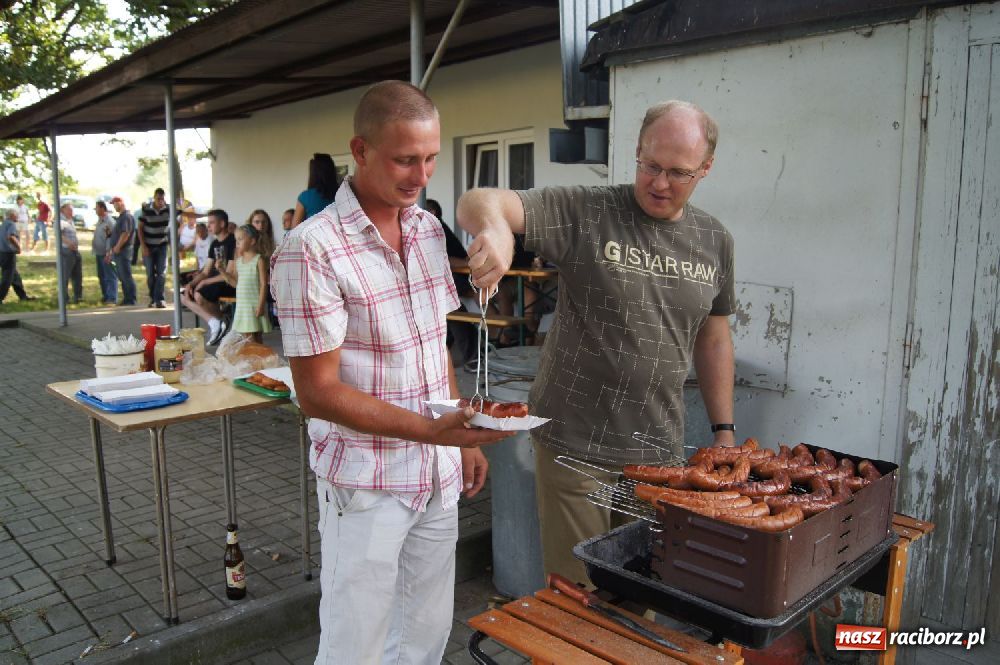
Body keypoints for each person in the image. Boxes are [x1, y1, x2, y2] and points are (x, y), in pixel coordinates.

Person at [270, 80, 509, 665]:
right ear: (360, 149)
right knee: (357, 645)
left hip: (434, 473)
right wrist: (434, 431)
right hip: (366, 481)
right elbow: (318, 394)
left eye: (430, 158)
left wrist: (459, 440)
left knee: (426, 635)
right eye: (405, 159)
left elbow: (433, 345)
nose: (421, 175)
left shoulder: (426, 229)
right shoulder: (312, 248)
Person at [456, 100, 736, 585]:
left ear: (706, 169)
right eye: (650, 165)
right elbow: (479, 199)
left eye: (679, 172)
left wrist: (724, 430)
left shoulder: (714, 240)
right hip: (575, 446)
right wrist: (498, 231)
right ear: (637, 151)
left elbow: (713, 340)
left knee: (642, 597)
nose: (660, 183)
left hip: (657, 453)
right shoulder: (588, 210)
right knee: (579, 598)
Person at [180, 209, 236, 345]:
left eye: (211, 222)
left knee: (199, 295)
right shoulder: (215, 244)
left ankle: (219, 322)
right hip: (215, 282)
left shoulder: (232, 242)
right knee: (182, 295)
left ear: (222, 224)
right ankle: (216, 321)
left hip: (229, 282)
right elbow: (205, 271)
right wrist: (191, 284)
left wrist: (205, 282)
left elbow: (228, 275)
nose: (208, 226)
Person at [220, 224, 271, 344]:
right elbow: (235, 283)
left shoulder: (259, 260)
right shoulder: (239, 262)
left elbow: (264, 284)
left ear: (252, 241)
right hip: (243, 306)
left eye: (240, 239)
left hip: (254, 304)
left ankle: (258, 360)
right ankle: (256, 360)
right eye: (236, 239)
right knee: (249, 338)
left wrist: (261, 304)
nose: (237, 243)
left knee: (256, 337)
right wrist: (222, 271)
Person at [137, 187, 170, 308]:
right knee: (150, 274)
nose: (160, 201)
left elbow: (183, 213)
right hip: (148, 245)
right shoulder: (146, 210)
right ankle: (152, 298)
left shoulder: (168, 209)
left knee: (161, 273)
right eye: (158, 199)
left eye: (162, 199)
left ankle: (160, 299)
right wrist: (143, 246)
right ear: (154, 198)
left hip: (162, 245)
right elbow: (140, 228)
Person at [290, 153, 338, 227]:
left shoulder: (305, 197)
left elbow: (295, 229)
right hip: (339, 238)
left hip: (313, 238)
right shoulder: (342, 194)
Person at [1, 209, 36, 305]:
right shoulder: (11, 224)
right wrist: (18, 247)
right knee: (7, 277)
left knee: (15, 276)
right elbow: (11, 237)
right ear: (12, 215)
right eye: (16, 215)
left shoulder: (3, 224)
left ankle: (23, 296)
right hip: (8, 253)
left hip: (2, 253)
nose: (17, 217)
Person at [108, 196, 137, 306]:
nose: (114, 206)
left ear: (121, 203)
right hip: (119, 251)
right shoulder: (120, 217)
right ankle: (126, 298)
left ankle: (131, 298)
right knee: (122, 275)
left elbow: (125, 234)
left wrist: (118, 247)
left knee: (126, 275)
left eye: (115, 203)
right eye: (113, 204)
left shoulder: (126, 217)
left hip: (124, 251)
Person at [92, 201, 117, 305]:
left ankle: (112, 297)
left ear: (102, 209)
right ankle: (106, 295)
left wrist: (109, 252)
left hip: (107, 253)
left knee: (109, 275)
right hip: (99, 252)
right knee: (101, 275)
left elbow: (112, 238)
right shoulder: (100, 221)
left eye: (97, 208)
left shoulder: (109, 221)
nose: (95, 210)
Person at [58, 203, 84, 304]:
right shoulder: (61, 221)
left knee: (77, 274)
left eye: (72, 210)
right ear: (63, 210)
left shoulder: (70, 221)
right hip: (67, 250)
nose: (71, 212)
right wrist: (69, 244)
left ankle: (78, 296)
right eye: (69, 210)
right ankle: (64, 298)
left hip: (75, 250)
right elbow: (59, 235)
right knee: (65, 275)